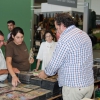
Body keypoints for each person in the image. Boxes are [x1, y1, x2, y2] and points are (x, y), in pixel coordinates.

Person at [38, 13, 94, 100]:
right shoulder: (84, 34)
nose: (57, 32)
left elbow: (55, 63)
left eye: (57, 28)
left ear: (62, 25)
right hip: (88, 85)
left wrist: (45, 73)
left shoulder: (65, 39)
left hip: (74, 87)